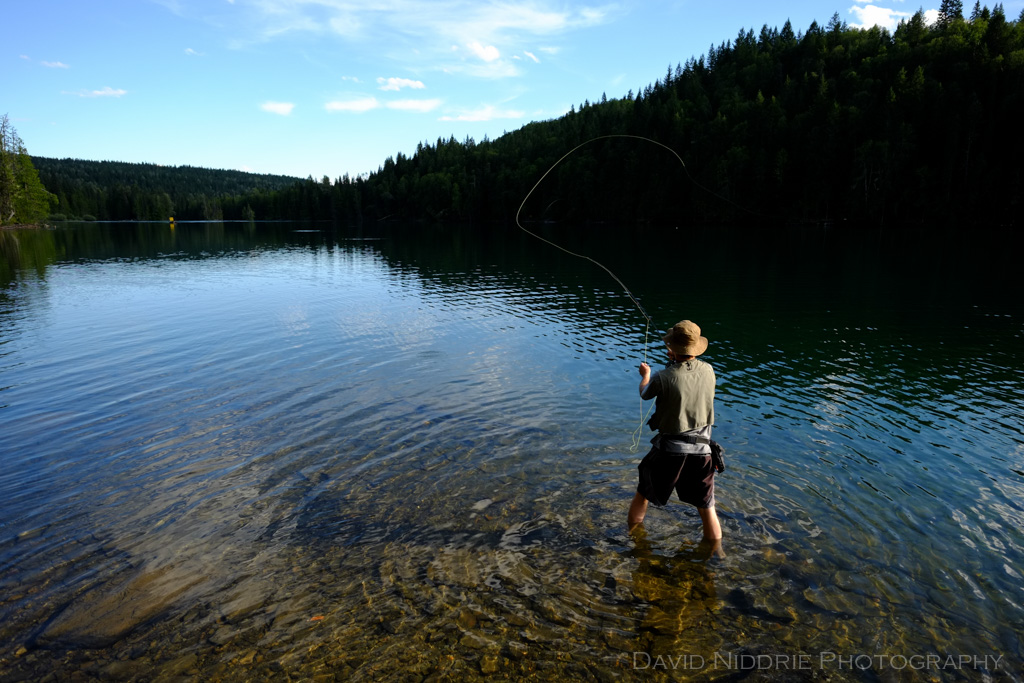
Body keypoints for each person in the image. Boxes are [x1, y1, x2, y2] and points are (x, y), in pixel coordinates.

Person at [628, 320, 721, 541]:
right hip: (703, 451)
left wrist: (645, 376)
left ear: (672, 348)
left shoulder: (663, 376)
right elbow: (687, 379)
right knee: (707, 506)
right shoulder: (709, 370)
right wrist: (676, 362)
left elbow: (645, 393)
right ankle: (718, 552)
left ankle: (634, 540)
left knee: (643, 494)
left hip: (670, 451)